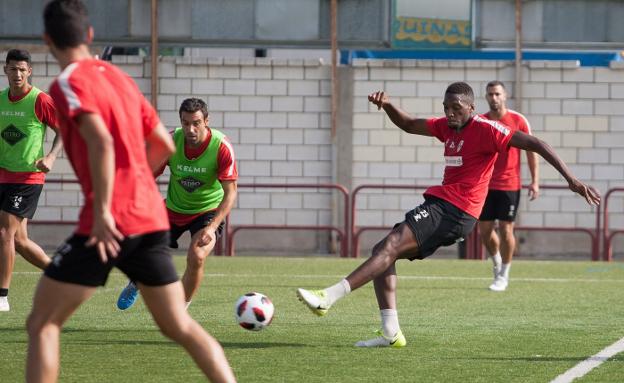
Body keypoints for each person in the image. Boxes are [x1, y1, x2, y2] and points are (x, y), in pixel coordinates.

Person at [296, 82, 600, 348]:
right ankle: (390, 332)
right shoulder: (446, 126)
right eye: (446, 107)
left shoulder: (487, 129)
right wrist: (387, 105)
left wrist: (571, 180)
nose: (450, 112)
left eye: (456, 107)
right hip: (446, 206)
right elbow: (409, 124)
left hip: (456, 209)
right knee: (383, 252)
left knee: (389, 245)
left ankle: (329, 297)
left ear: (471, 107)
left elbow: (536, 143)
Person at [27, 1, 236, 382]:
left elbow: (102, 143)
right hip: (150, 220)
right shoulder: (118, 77)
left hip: (107, 223)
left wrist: (107, 210)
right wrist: (134, 184)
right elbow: (162, 144)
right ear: (89, 36)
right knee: (179, 326)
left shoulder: (67, 84)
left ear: (46, 41)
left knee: (42, 323)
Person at [116, 97, 238, 310]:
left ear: (206, 121)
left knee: (197, 255)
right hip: (173, 208)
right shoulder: (171, 141)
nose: (191, 129)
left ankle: (180, 309)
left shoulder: (221, 146)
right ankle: (136, 282)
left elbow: (230, 194)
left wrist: (211, 227)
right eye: (185, 123)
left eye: (196, 123)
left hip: (207, 211)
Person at [0, 48, 63, 312]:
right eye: (13, 68)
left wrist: (51, 156)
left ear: (30, 71)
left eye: (22, 69)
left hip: (28, 177)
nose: (17, 74)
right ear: (5, 70)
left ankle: (1, 296)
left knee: (4, 232)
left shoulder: (41, 100)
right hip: (3, 174)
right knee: (19, 241)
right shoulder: (1, 99)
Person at [479, 81, 539, 292]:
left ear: (505, 96)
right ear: (486, 97)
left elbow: (532, 151)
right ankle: (496, 262)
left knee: (506, 230)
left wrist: (535, 181)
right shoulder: (481, 121)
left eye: (497, 94)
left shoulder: (518, 120)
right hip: (484, 186)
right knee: (485, 231)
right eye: (490, 94)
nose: (493, 98)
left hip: (510, 184)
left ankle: (504, 274)